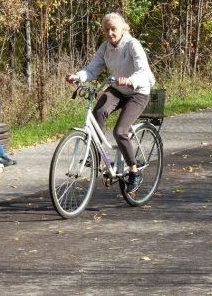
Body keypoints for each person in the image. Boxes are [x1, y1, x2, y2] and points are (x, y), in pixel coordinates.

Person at [65, 12, 155, 193]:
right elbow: (93, 68)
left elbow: (143, 70)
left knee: (120, 130)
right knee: (98, 111)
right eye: (106, 30)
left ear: (122, 28)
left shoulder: (132, 44)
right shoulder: (105, 47)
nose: (110, 33)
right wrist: (78, 77)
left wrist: (130, 80)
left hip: (137, 91)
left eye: (114, 29)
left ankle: (133, 171)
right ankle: (97, 156)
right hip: (117, 88)